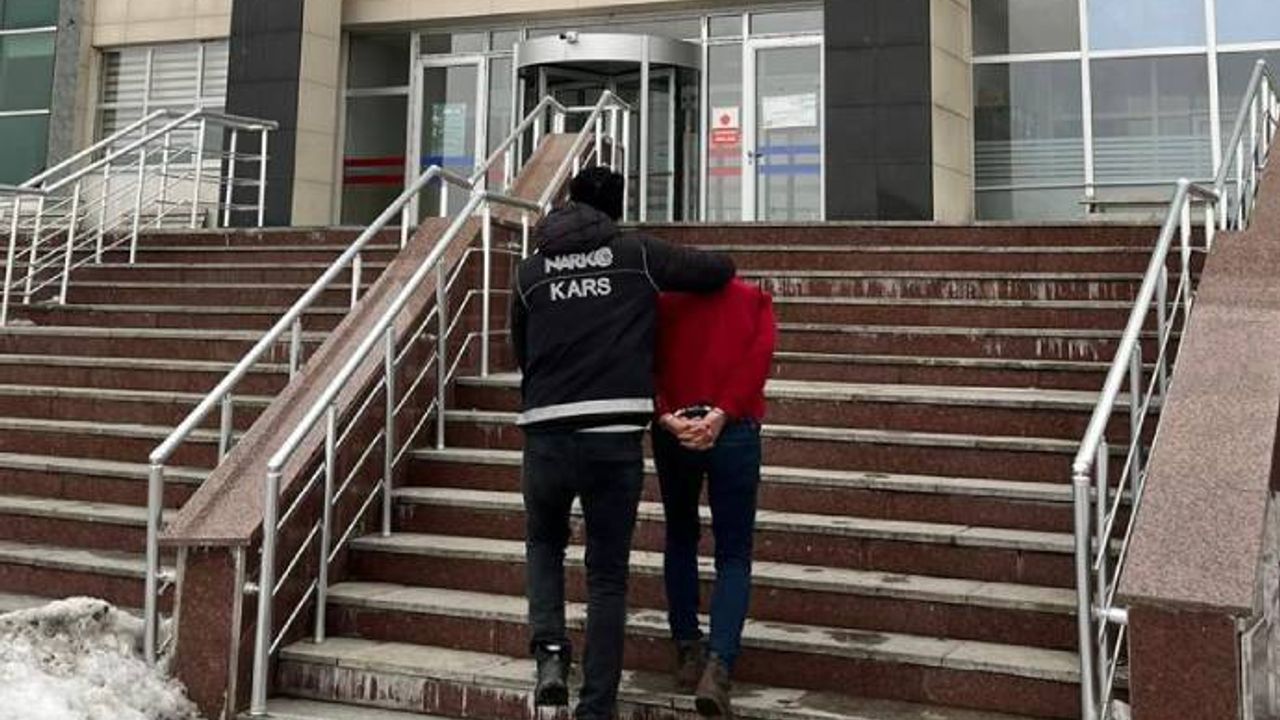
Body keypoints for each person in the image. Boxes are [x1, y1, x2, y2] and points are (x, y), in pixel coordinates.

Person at [510, 166, 736, 720]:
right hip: (612, 440)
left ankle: (550, 654)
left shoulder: (529, 271)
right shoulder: (636, 254)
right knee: (606, 577)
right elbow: (716, 270)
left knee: (544, 545)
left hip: (545, 433)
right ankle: (596, 707)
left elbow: (521, 349)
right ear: (616, 211)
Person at [652, 278, 776, 719]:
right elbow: (759, 358)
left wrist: (666, 416)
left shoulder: (663, 301)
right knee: (734, 553)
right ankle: (719, 666)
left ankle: (687, 649)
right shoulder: (753, 299)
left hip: (676, 430)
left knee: (680, 536)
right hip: (735, 431)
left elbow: (644, 361)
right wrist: (721, 414)